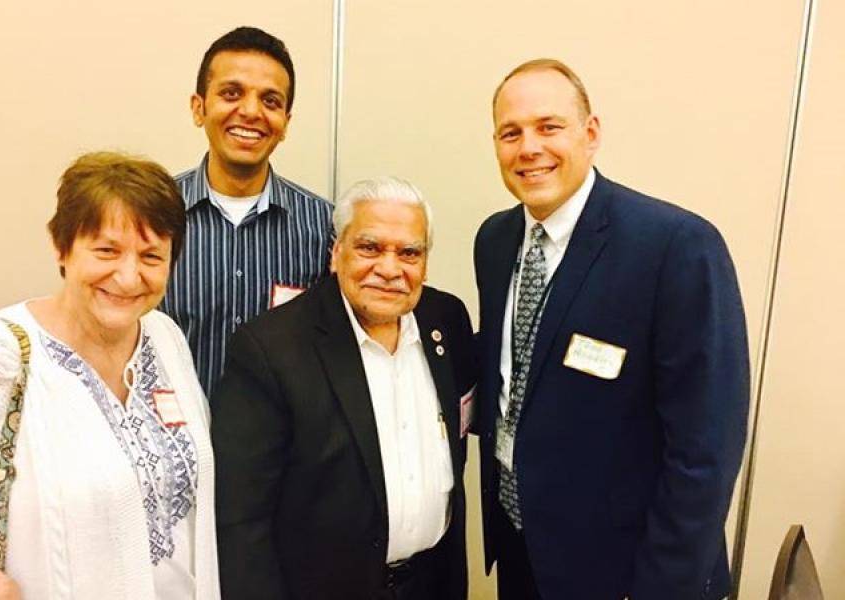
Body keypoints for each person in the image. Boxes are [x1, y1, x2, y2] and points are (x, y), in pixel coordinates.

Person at [0, 152, 220, 600]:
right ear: (61, 246)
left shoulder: (164, 336)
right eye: (106, 250)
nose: (128, 276)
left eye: (151, 256)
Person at [474, 59, 749, 599]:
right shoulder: (496, 239)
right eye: (512, 133)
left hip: (626, 570)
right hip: (523, 549)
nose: (529, 147)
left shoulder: (675, 247)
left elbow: (704, 451)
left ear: (591, 133)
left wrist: (660, 587)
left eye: (549, 126)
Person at [212, 177, 476, 600]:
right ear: (337, 254)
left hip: (432, 583)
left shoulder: (446, 320)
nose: (389, 269)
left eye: (409, 252)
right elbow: (240, 519)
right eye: (369, 248)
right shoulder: (272, 348)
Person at [161, 26, 334, 400]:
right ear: (198, 108)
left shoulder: (324, 227)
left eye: (271, 101)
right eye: (231, 93)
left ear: (286, 122)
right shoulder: (153, 213)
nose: (251, 111)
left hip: (284, 453)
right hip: (173, 449)